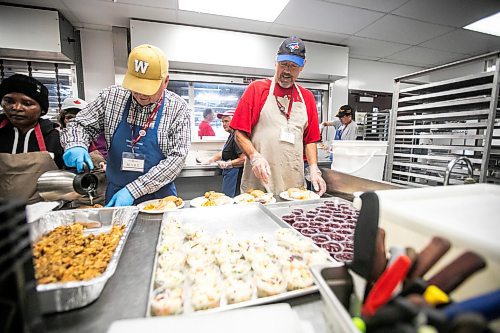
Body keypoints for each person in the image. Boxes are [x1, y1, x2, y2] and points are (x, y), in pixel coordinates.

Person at [61, 44, 191, 207]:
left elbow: (177, 159)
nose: (141, 94)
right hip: (117, 192)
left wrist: (133, 190)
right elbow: (80, 124)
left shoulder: (177, 108)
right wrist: (75, 144)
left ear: (165, 82)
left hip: (160, 197)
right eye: (136, 86)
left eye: (148, 89)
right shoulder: (111, 97)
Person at [230, 36, 326, 196]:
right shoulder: (257, 89)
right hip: (259, 184)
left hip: (293, 188)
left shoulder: (307, 97)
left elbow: (310, 140)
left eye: (293, 66)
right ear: (275, 62)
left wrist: (314, 168)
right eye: (283, 65)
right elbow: (239, 133)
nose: (287, 71)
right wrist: (254, 157)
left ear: (302, 67)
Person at [0, 74, 64, 203]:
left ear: (42, 109)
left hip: (45, 210)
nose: (16, 108)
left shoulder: (55, 137)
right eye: (9, 101)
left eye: (27, 103)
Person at [201, 111, 245, 197]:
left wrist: (227, 164)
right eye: (222, 122)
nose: (223, 124)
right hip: (229, 174)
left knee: (231, 201)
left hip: (235, 175)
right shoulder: (231, 135)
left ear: (235, 121)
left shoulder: (238, 136)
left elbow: (244, 159)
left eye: (226, 121)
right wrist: (211, 159)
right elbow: (225, 152)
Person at [59, 97, 107, 169]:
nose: (74, 122)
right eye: (69, 117)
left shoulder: (99, 137)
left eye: (78, 118)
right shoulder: (54, 136)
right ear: (62, 119)